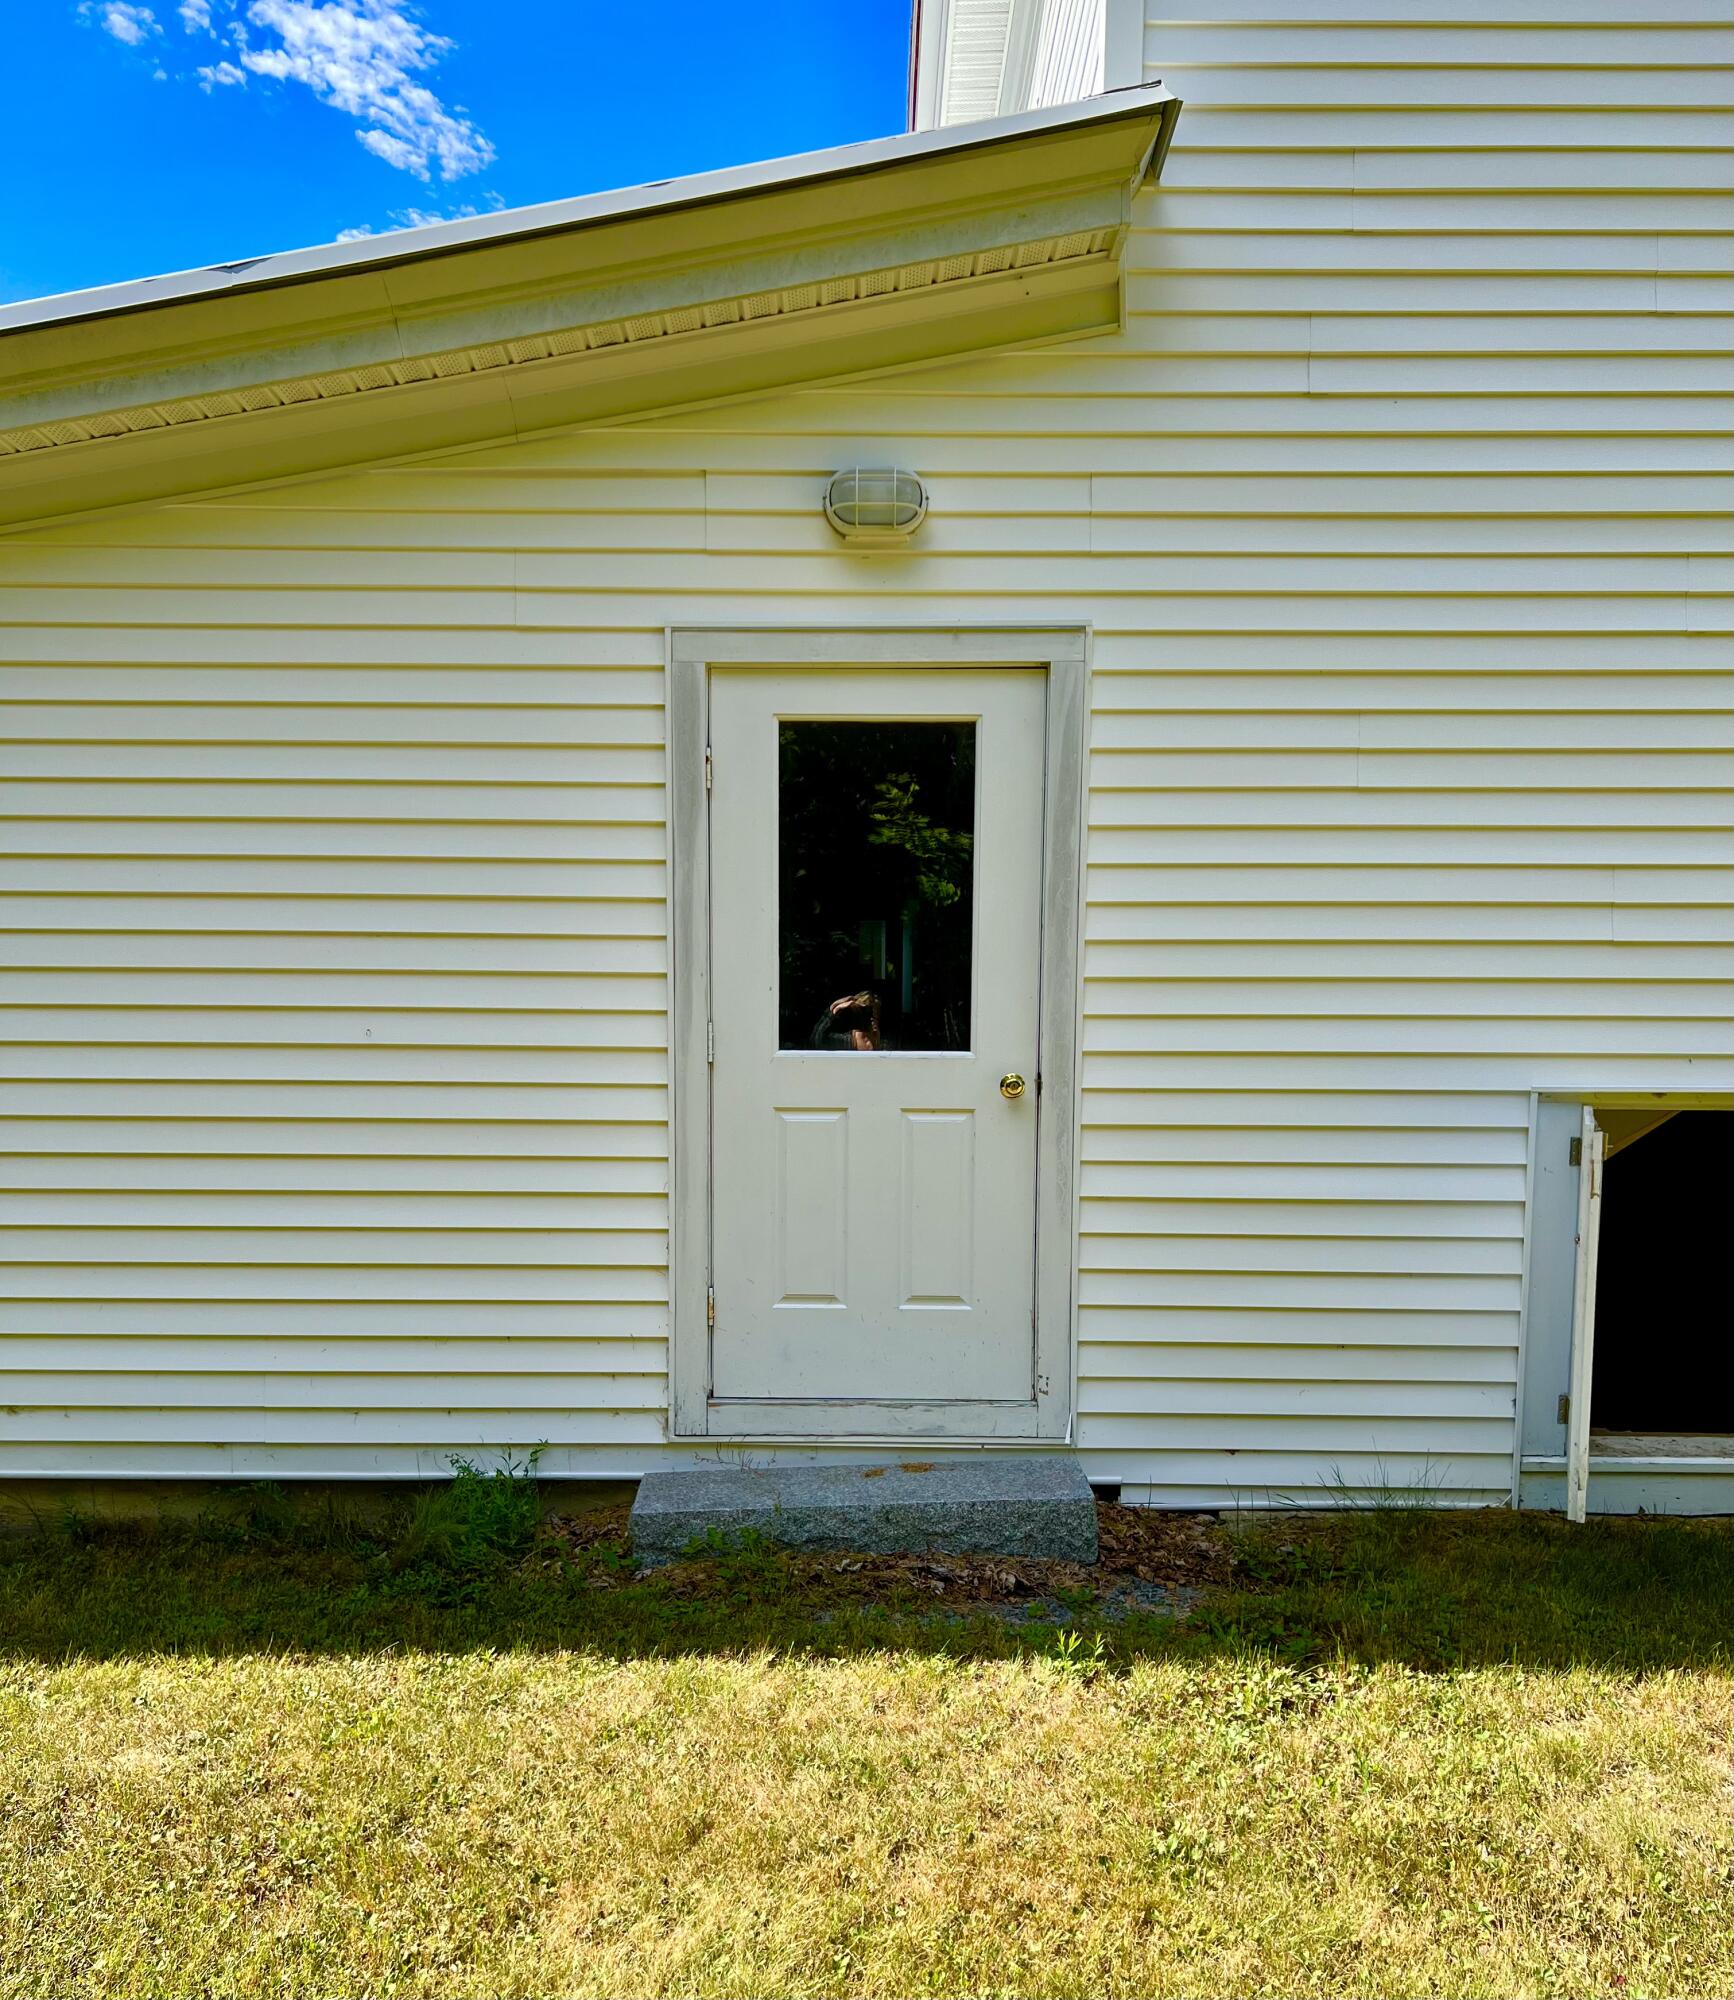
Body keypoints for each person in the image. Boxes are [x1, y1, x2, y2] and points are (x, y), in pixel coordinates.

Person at [808, 989, 883, 1051]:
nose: (872, 1019)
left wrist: (835, 1009)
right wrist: (834, 1009)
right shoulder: (855, 1040)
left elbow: (817, 1040)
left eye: (875, 1014)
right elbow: (816, 1039)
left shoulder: (862, 1040)